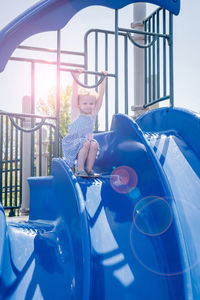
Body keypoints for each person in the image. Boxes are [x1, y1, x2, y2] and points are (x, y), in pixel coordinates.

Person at [62, 69, 107, 177]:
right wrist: (76, 78)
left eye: (91, 103)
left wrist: (103, 80)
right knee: (86, 142)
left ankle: (89, 170)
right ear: (79, 103)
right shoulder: (76, 112)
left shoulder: (93, 113)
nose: (88, 105)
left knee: (94, 143)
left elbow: (100, 97)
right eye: (85, 103)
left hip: (86, 142)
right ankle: (79, 169)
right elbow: (74, 95)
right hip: (72, 143)